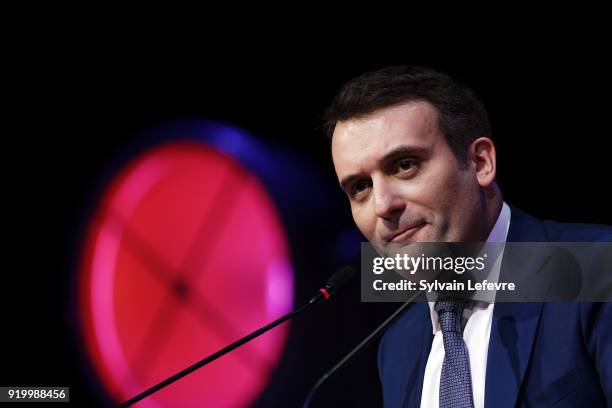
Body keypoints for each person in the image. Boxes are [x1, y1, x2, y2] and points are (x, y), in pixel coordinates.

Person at [324, 66, 611, 407]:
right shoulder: (397, 348)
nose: (383, 205)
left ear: (480, 162)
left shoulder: (596, 272)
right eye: (360, 187)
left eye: (404, 165)